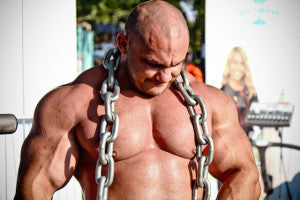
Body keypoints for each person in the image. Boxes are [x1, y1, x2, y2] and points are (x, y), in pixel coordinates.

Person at [14, 1, 260, 199]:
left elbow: (243, 173)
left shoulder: (211, 104)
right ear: (123, 44)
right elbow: (36, 186)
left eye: (175, 64)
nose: (165, 77)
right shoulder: (72, 103)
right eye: (153, 63)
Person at [221, 46, 258, 134]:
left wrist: (281, 109)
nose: (238, 67)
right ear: (229, 65)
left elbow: (260, 117)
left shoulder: (251, 93)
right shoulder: (221, 93)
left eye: (242, 64)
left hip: (248, 143)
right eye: (235, 62)